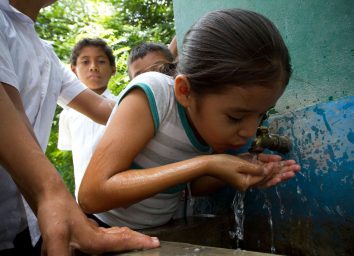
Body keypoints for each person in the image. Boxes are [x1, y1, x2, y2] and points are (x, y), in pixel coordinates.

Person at [78, 9, 301, 230]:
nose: (250, 133)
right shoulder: (153, 95)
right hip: (102, 229)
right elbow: (92, 195)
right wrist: (206, 163)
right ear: (185, 91)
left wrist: (235, 169)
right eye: (236, 117)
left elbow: (192, 186)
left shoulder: (208, 123)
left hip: (160, 232)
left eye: (261, 115)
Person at [0, 0, 159, 255]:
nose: (93, 67)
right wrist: (52, 195)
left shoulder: (46, 54)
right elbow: (11, 112)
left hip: (28, 223)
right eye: (84, 62)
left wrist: (160, 87)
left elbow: (104, 110)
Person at [58, 38, 117, 200]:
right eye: (85, 62)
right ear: (73, 70)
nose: (93, 67)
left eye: (101, 61)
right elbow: (75, 155)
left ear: (113, 69)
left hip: (118, 197)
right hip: (84, 200)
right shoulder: (68, 113)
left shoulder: (123, 105)